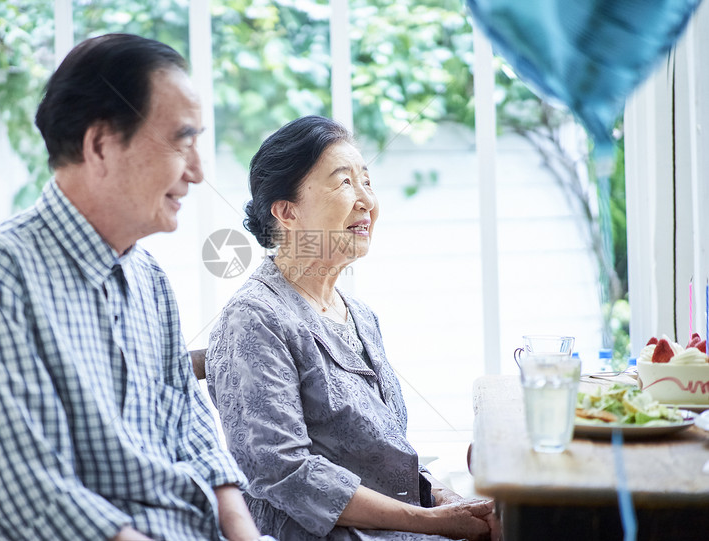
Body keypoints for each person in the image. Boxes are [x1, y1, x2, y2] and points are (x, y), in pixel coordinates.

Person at [0, 33, 268, 541]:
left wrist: (246, 536)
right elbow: (25, 492)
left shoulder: (148, 278)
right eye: (181, 142)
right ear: (101, 145)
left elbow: (193, 434)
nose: (197, 172)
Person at [205, 116, 499, 541]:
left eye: (367, 181)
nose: (367, 201)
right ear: (287, 212)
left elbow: (384, 454)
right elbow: (286, 474)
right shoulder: (253, 319)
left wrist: (441, 497)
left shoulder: (358, 314)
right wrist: (432, 523)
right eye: (344, 183)